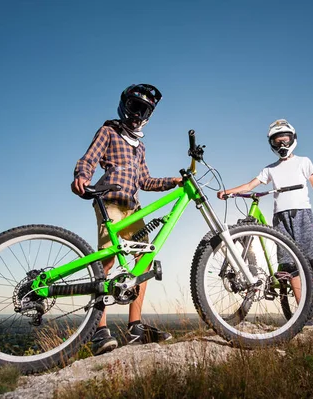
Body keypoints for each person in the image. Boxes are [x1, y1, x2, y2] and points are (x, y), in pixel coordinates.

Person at [73, 84, 182, 354]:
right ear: (124, 106)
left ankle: (135, 327)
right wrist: (82, 175)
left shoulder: (140, 147)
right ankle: (99, 331)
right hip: (109, 201)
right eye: (134, 107)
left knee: (144, 258)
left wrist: (174, 181)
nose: (137, 114)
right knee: (106, 261)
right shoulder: (109, 131)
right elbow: (88, 158)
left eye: (143, 110)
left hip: (133, 208)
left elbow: (145, 180)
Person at [217, 119, 313, 331]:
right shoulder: (270, 169)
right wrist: (230, 191)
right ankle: (304, 316)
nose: (282, 145)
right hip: (281, 219)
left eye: (285, 140)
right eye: (277, 142)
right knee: (290, 267)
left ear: (292, 139)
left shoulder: (304, 162)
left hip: (303, 215)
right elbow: (250, 185)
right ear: (272, 145)